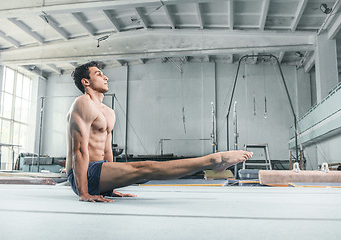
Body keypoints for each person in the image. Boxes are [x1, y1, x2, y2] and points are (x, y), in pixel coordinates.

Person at [66, 61, 253, 202]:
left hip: (100, 174)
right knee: (145, 168)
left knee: (145, 172)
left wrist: (111, 187)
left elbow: (107, 153)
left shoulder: (109, 112)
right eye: (98, 74)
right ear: (86, 81)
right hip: (81, 175)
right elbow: (79, 150)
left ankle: (212, 163)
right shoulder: (83, 103)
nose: (106, 77)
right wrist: (84, 193)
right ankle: (213, 161)